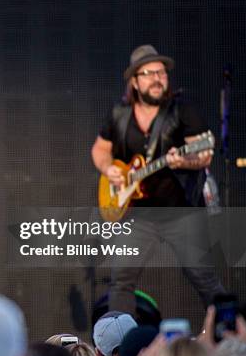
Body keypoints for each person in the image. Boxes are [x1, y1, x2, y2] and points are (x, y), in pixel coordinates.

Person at [91, 44, 225, 315]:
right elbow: (100, 150)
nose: (157, 79)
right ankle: (120, 344)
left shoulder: (181, 111)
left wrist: (184, 160)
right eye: (149, 73)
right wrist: (109, 169)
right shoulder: (120, 113)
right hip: (137, 215)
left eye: (161, 73)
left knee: (204, 278)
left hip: (181, 212)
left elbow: (204, 155)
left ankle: (228, 334)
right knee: (121, 281)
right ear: (135, 82)